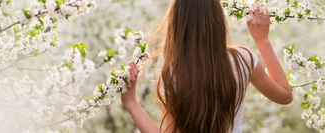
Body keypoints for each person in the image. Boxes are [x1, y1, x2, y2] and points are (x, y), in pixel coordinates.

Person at [121, 0, 293, 132]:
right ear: (217, 18)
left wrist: (131, 103)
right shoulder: (243, 60)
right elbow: (285, 95)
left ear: (177, 24)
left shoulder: (173, 73)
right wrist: (262, 39)